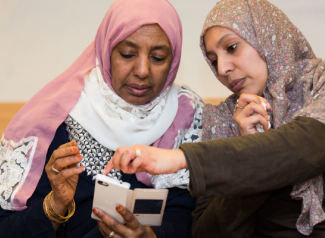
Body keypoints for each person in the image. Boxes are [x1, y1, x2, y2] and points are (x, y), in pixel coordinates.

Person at [0, 0, 205, 237]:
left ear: (173, 60)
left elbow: (194, 219)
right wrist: (54, 206)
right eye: (127, 54)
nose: (143, 70)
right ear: (106, 50)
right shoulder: (54, 120)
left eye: (157, 57)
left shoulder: (187, 119)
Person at [104, 0, 325, 237]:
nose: (222, 69)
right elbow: (205, 231)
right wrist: (244, 169)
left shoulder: (318, 86)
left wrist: (182, 158)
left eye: (231, 47)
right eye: (213, 59)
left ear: (267, 34)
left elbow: (310, 142)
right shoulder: (224, 118)